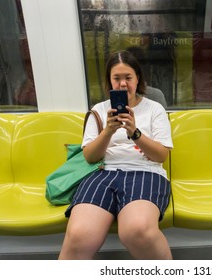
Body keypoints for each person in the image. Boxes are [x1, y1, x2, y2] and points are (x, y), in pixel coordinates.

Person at [58, 50, 173, 260]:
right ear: (109, 82)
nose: (123, 84)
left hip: (145, 172)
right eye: (117, 78)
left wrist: (134, 132)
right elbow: (90, 157)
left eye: (128, 78)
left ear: (138, 79)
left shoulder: (155, 109)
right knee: (78, 234)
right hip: (103, 172)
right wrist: (109, 131)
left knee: (138, 230)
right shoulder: (99, 110)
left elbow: (161, 156)